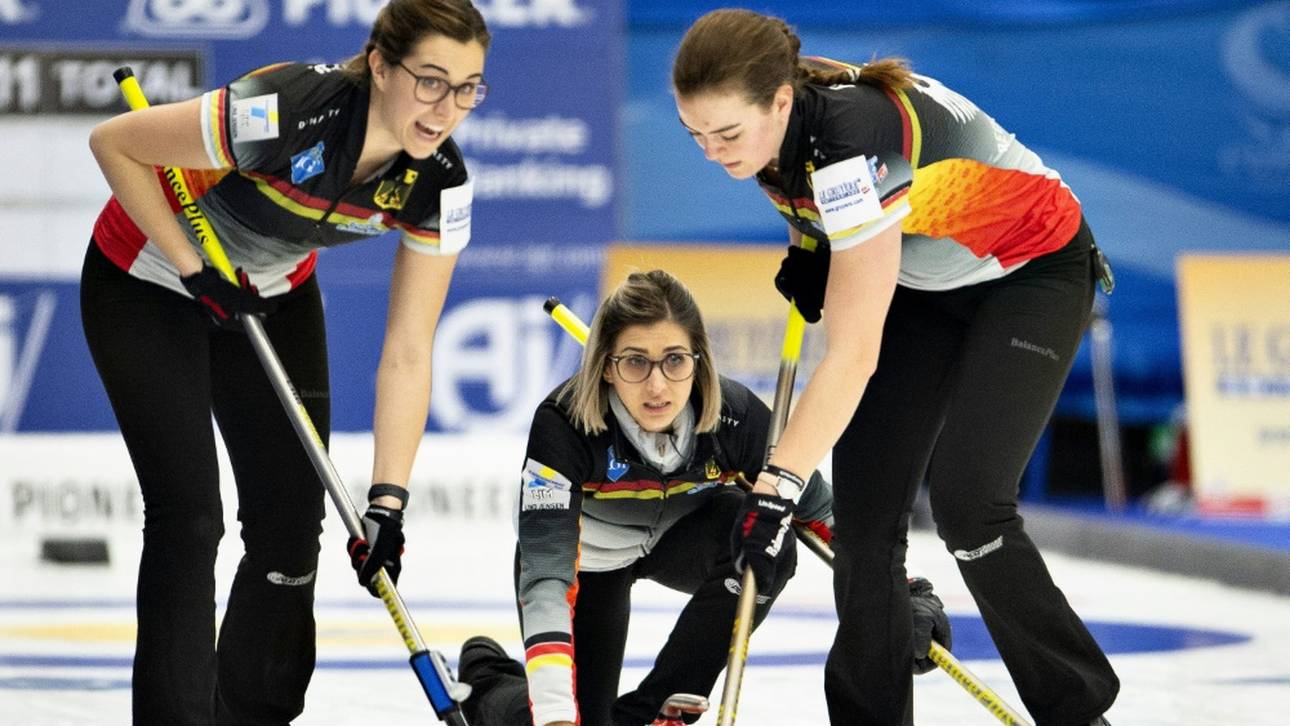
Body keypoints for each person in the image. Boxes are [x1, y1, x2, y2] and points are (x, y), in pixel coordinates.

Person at [671, 9, 1119, 726]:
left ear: (780, 100)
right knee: (866, 513)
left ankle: (1075, 710)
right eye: (695, 135)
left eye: (725, 134)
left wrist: (777, 488)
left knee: (970, 505)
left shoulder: (853, 142)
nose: (712, 152)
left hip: (1030, 271)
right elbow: (808, 200)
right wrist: (814, 250)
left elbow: (852, 355)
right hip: (928, 280)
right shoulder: (774, 139)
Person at [79, 1, 489, 723]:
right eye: (430, 80)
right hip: (146, 279)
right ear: (381, 65)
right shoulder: (284, 108)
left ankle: (253, 713)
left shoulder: (442, 184)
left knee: (292, 524)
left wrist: (387, 504)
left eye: (467, 87)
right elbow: (114, 142)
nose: (446, 107)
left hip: (270, 295)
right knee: (189, 517)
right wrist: (190, 266)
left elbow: (408, 351)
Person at [455, 269, 949, 726]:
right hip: (590, 564)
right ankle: (491, 684)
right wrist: (557, 714)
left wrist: (906, 594)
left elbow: (820, 511)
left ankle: (659, 707)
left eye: (674, 361)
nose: (656, 386)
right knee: (571, 716)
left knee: (767, 532)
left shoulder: (733, 417)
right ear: (606, 368)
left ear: (698, 361)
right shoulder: (564, 425)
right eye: (634, 362)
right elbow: (546, 578)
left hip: (681, 541)